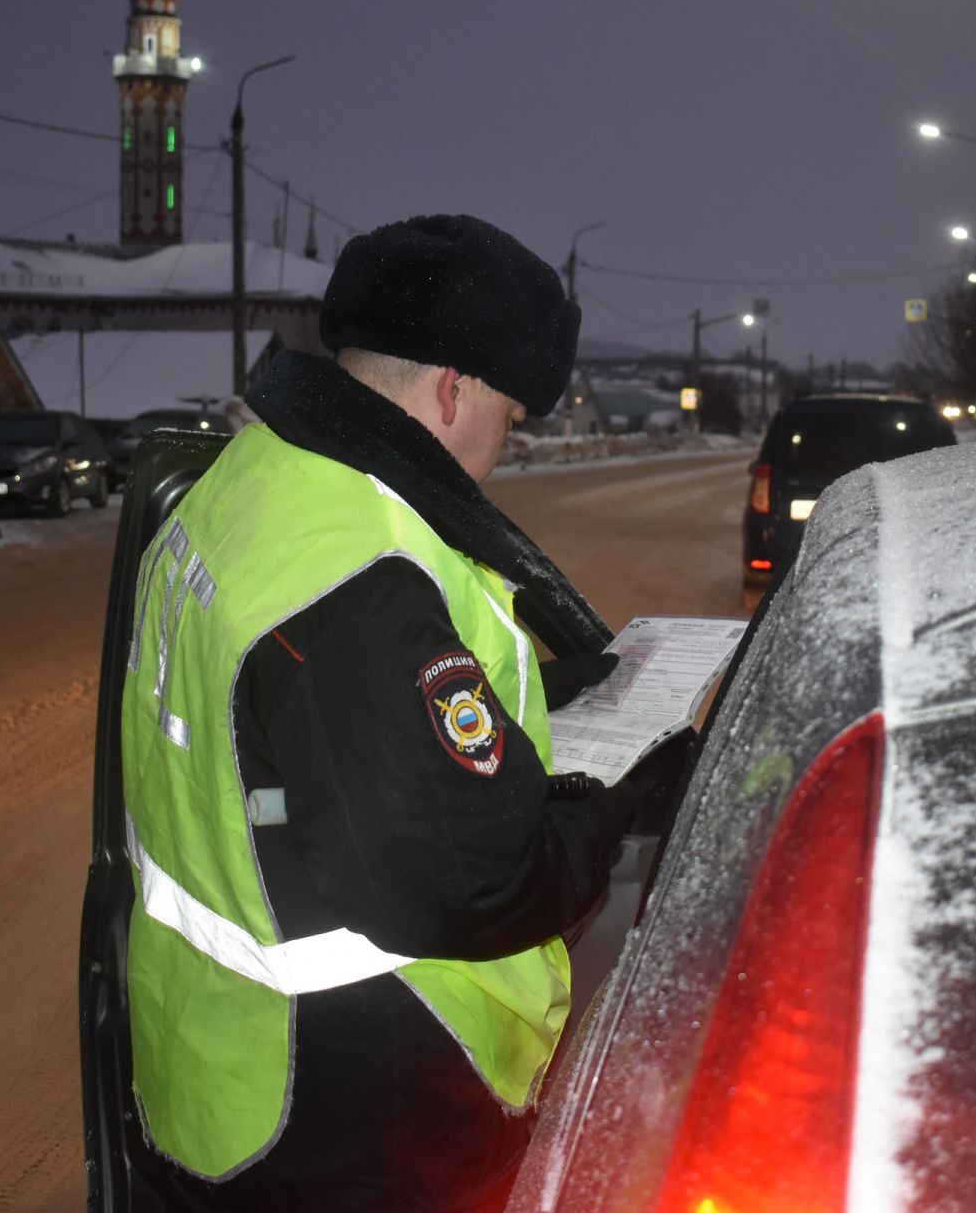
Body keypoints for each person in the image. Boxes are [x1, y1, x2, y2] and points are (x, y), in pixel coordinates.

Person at [120, 213, 672, 1212]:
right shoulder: (358, 573)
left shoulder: (251, 482)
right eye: (509, 417)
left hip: (213, 1066)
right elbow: (467, 880)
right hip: (343, 1125)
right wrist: (607, 812)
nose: (502, 449)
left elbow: (307, 722)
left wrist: (537, 695)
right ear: (454, 389)